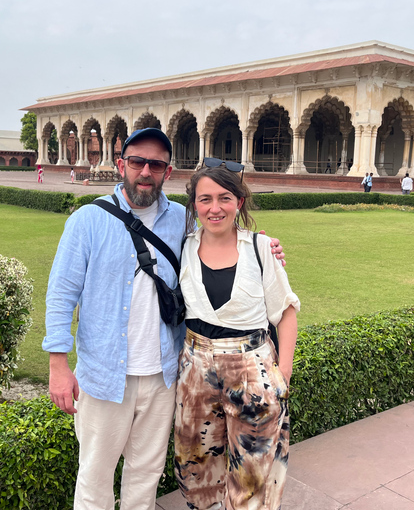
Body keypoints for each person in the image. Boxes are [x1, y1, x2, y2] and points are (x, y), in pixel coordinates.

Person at [44, 128, 285, 510]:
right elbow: (61, 295)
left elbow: (219, 233)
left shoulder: (182, 221)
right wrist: (58, 364)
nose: (145, 171)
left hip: (162, 375)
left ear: (167, 172)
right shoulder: (87, 221)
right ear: (121, 164)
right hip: (106, 374)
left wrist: (262, 246)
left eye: (155, 164)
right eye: (137, 161)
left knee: (145, 474)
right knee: (94, 475)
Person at [175, 162, 299, 510]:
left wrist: (283, 373)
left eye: (224, 198)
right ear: (195, 205)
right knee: (194, 469)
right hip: (194, 367)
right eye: (205, 199)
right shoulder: (183, 247)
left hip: (250, 366)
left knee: (251, 475)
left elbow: (286, 312)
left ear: (239, 202)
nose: (215, 208)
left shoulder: (260, 250)